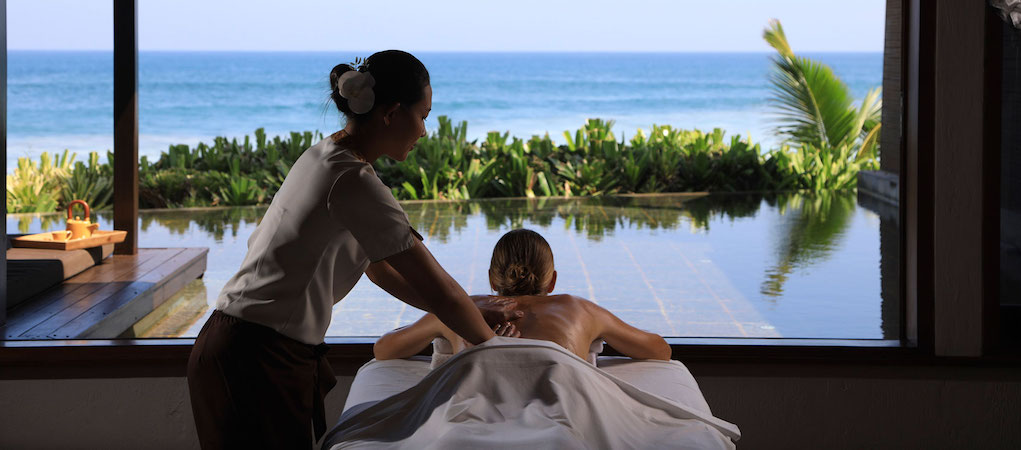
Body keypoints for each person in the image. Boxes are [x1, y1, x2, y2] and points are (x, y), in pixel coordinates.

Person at [187, 50, 521, 450]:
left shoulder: (327, 154)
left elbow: (380, 270)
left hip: (246, 346)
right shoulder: (353, 180)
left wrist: (468, 313)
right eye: (423, 116)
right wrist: (501, 354)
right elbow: (440, 291)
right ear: (392, 113)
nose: (424, 131)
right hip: (254, 357)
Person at [374, 228, 671, 363]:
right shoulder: (580, 309)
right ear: (552, 281)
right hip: (563, 408)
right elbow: (659, 350)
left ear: (492, 280)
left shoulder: (461, 309)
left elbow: (384, 350)